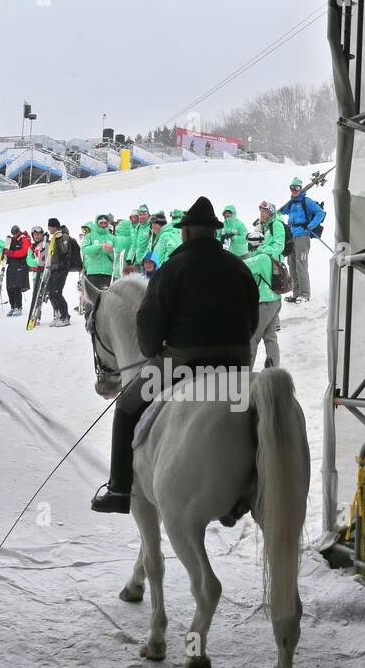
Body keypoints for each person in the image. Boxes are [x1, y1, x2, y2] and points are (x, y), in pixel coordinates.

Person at [90, 196, 258, 514]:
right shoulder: (239, 267)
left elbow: (149, 325)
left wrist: (156, 350)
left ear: (186, 234)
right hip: (236, 364)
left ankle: (119, 490)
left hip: (183, 362)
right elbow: (252, 321)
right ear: (213, 233)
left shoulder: (173, 268)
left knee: (126, 406)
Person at [245, 203, 287, 369]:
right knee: (270, 337)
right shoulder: (264, 227)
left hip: (265, 301)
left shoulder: (261, 257)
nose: (261, 214)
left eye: (264, 211)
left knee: (252, 338)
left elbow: (279, 247)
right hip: (274, 299)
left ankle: (245, 373)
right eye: (260, 211)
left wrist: (264, 249)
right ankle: (273, 370)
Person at [280, 177, 325, 303]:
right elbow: (282, 211)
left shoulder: (307, 201)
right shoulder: (292, 203)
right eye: (292, 188)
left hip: (302, 236)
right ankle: (296, 294)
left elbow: (320, 213)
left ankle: (304, 294)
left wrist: (310, 226)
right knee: (292, 265)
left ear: (301, 188)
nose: (294, 190)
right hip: (291, 236)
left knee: (301, 265)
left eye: (297, 188)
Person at [44, 219, 79, 327]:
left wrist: (59, 240)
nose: (48, 228)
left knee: (56, 292)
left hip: (61, 268)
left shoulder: (63, 236)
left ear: (54, 227)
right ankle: (58, 315)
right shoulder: (55, 237)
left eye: (50, 226)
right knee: (50, 292)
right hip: (54, 268)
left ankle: (65, 316)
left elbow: (64, 251)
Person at [82, 213, 117, 295]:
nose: (103, 225)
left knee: (105, 298)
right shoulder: (89, 236)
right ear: (97, 224)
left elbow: (115, 257)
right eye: (101, 223)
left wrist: (111, 251)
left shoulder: (112, 238)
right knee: (92, 297)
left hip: (107, 273)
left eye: (105, 223)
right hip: (93, 272)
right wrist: (100, 246)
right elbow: (85, 250)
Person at [5, 225, 31, 316]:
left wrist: (10, 253)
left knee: (16, 287)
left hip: (20, 265)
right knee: (9, 287)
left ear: (19, 231)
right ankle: (13, 306)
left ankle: (18, 307)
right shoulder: (12, 240)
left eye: (16, 232)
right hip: (11, 265)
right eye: (13, 233)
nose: (15, 234)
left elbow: (23, 252)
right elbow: (6, 250)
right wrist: (5, 251)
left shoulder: (24, 239)